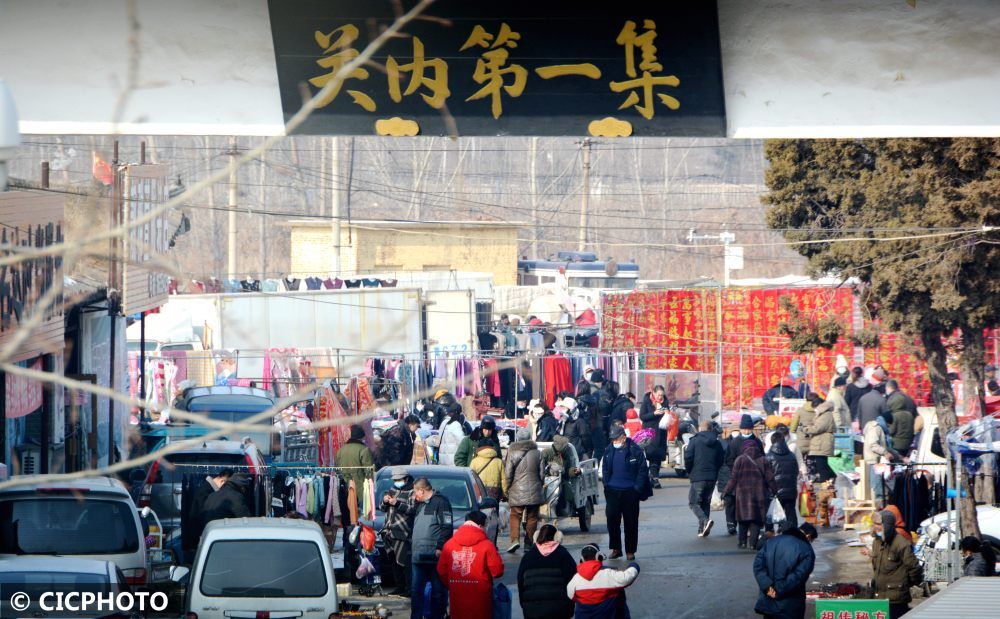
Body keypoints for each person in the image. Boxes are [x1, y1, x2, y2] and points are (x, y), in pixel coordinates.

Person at [436, 510, 504, 619]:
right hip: (481, 596)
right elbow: (497, 571)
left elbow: (441, 570)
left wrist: (452, 584)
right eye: (486, 526)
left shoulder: (449, 545)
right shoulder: (487, 545)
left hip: (457, 593)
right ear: (480, 526)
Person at [601, 426, 651, 560]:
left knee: (631, 523)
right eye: (612, 440)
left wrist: (637, 488)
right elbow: (605, 467)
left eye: (616, 439)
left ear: (623, 437)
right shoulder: (609, 450)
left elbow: (642, 470)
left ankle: (630, 551)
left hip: (630, 492)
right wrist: (606, 483)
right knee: (612, 521)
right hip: (612, 490)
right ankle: (616, 549)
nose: (614, 442)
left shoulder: (635, 450)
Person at [409, 477, 453, 619]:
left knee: (438, 592)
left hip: (434, 557)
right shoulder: (420, 504)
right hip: (418, 556)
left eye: (415, 491)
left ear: (421, 490)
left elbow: (446, 527)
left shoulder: (441, 502)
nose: (415, 495)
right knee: (416, 592)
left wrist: (440, 547)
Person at [752, 524, 818, 619]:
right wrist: (778, 589)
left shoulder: (771, 541)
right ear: (808, 536)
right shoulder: (807, 550)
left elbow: (758, 566)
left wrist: (767, 585)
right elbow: (799, 576)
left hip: (768, 600)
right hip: (790, 603)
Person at [869, 510, 923, 619]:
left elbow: (914, 567)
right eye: (874, 523)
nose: (875, 527)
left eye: (878, 524)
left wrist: (908, 584)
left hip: (896, 600)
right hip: (879, 597)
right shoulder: (877, 542)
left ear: (887, 526)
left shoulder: (901, 544)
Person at [517, 524, 577, 619]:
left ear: (537, 536)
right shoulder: (564, 555)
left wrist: (525, 606)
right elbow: (573, 582)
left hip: (532, 611)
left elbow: (521, 585)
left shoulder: (527, 557)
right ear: (557, 537)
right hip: (559, 610)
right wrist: (570, 609)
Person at [724, 440, 775, 550]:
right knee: (756, 520)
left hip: (742, 495)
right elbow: (770, 478)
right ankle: (753, 544)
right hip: (759, 494)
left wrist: (726, 491)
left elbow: (733, 479)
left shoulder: (740, 460)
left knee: (743, 520)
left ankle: (742, 542)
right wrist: (775, 490)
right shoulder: (763, 460)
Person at [566, 544, 640, 619]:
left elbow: (570, 595)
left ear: (582, 560)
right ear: (599, 557)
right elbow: (627, 578)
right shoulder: (609, 574)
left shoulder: (576, 579)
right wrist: (633, 566)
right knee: (618, 589)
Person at [724, 415, 765, 535]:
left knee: (748, 503)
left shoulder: (757, 442)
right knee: (732, 501)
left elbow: (762, 458)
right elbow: (729, 460)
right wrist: (736, 471)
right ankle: (731, 524)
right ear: (740, 429)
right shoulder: (734, 443)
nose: (746, 431)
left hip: (754, 478)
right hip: (737, 477)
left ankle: (748, 525)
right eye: (744, 429)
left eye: (749, 429)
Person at [505, 427, 543, 553]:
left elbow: (508, 472)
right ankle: (528, 543)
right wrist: (539, 484)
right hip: (534, 489)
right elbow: (542, 474)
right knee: (532, 517)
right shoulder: (538, 453)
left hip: (517, 489)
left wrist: (508, 487)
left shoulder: (512, 451)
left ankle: (515, 540)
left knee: (515, 515)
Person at [685, 419, 724, 537]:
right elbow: (721, 459)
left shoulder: (695, 441)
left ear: (700, 429)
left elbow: (688, 457)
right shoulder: (717, 443)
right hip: (712, 476)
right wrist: (715, 471)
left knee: (694, 502)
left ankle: (704, 521)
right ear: (711, 429)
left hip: (698, 476)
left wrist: (689, 470)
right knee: (706, 502)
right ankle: (702, 529)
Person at [381, 468, 416, 596]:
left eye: (399, 480)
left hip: (403, 532)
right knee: (393, 561)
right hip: (389, 531)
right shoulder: (392, 490)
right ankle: (399, 586)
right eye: (395, 480)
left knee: (404, 562)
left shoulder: (412, 492)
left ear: (406, 479)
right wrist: (384, 502)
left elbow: (412, 510)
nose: (397, 482)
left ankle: (408, 588)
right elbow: (383, 508)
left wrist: (397, 503)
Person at [184, 468, 233, 558]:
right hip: (198, 539)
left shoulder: (205, 489)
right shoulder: (206, 492)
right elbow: (201, 517)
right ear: (223, 481)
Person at [863, 413, 906, 506]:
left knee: (879, 485)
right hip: (874, 461)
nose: (889, 428)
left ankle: (880, 505)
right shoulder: (876, 428)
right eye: (889, 426)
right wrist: (885, 453)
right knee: (877, 487)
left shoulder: (880, 429)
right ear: (886, 423)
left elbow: (886, 447)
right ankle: (878, 509)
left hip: (877, 461)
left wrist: (900, 457)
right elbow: (873, 445)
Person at [542, 435, 581, 523]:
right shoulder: (546, 453)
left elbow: (568, 470)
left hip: (561, 481)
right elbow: (540, 466)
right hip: (547, 481)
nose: (566, 447)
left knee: (567, 491)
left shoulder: (566, 455)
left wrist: (574, 471)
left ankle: (563, 509)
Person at [765, 431, 799, 532]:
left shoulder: (768, 456)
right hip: (790, 490)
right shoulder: (791, 455)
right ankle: (793, 533)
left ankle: (770, 535)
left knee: (771, 514)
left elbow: (766, 475)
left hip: (774, 491)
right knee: (790, 513)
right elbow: (796, 471)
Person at [638, 386, 669, 489]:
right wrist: (654, 413)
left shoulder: (665, 401)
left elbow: (668, 412)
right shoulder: (647, 400)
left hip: (662, 431)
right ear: (654, 394)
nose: (661, 397)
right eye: (659, 395)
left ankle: (654, 477)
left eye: (662, 395)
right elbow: (642, 416)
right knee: (652, 454)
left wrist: (668, 413)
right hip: (650, 431)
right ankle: (655, 478)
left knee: (659, 455)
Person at [336, 424, 375, 499]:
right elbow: (369, 471)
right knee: (360, 509)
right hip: (360, 489)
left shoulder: (341, 450)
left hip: (344, 488)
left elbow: (337, 469)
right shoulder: (364, 449)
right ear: (361, 436)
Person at [884, 380, 917, 454]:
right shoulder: (908, 398)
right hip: (908, 440)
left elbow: (892, 430)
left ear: (889, 388)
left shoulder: (892, 400)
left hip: (896, 442)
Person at [437, 402, 470, 466]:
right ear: (457, 413)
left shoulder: (444, 422)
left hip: (443, 461)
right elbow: (462, 442)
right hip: (452, 462)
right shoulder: (455, 424)